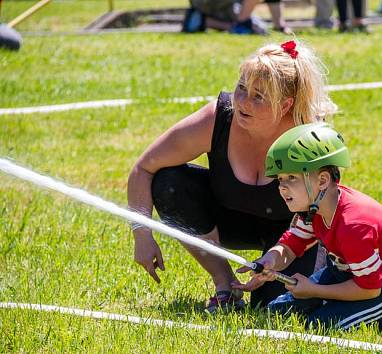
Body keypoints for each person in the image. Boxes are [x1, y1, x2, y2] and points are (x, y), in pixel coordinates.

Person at [128, 40, 337, 312]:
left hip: (294, 235)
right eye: (241, 88)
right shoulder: (217, 117)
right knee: (169, 184)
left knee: (276, 309)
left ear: (285, 105)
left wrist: (287, 260)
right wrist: (141, 234)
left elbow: (329, 213)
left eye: (258, 97)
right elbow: (143, 169)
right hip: (229, 219)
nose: (242, 102)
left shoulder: (309, 137)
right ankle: (224, 284)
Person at [234, 123, 382, 329]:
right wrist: (270, 260)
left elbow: (370, 288)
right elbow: (290, 246)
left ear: (322, 181)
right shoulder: (313, 210)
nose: (282, 187)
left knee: (321, 325)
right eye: (280, 179)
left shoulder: (353, 226)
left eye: (291, 177)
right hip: (346, 272)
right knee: (278, 312)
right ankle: (342, 307)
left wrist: (314, 290)